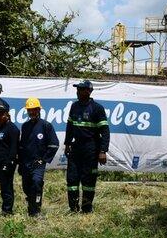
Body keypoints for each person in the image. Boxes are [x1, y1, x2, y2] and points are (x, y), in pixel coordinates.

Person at [64, 80, 110, 213]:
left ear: (89, 91)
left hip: (91, 148)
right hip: (76, 147)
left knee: (88, 180)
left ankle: (86, 209)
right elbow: (70, 127)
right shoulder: (74, 106)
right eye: (77, 89)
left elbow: (105, 131)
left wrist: (102, 151)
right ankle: (73, 209)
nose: (77, 92)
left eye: (81, 89)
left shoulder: (97, 108)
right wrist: (67, 143)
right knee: (72, 179)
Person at [19, 97, 59, 217]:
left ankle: (36, 210)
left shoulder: (46, 126)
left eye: (34, 110)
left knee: (37, 183)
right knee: (26, 186)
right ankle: (31, 204)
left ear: (39, 110)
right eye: (29, 110)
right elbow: (22, 146)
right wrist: (20, 163)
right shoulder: (25, 126)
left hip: (39, 163)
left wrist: (44, 159)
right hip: (26, 163)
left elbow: (54, 144)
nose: (32, 112)